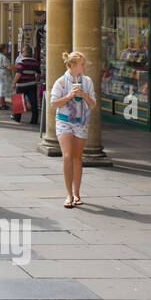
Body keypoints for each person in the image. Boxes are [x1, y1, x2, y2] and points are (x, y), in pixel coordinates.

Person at [51, 51, 97, 208]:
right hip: (64, 120)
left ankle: (77, 193)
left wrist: (84, 95)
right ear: (72, 65)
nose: (84, 66)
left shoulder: (87, 81)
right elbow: (54, 103)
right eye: (82, 64)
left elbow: (92, 104)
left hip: (81, 121)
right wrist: (69, 96)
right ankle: (68, 194)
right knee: (67, 156)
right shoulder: (61, 82)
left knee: (77, 158)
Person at [13, 45, 41, 124]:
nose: (22, 53)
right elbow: (38, 73)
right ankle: (34, 119)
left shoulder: (21, 61)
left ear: (24, 52)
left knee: (19, 101)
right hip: (32, 84)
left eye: (22, 52)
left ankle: (17, 118)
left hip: (21, 85)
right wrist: (35, 79)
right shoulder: (35, 61)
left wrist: (14, 83)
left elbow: (18, 73)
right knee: (33, 102)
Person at [0, 43, 13, 109]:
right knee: (1, 89)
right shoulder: (3, 57)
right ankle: (0, 104)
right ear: (3, 49)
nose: (7, 50)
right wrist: (17, 67)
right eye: (6, 48)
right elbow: (8, 67)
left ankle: (3, 103)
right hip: (2, 75)